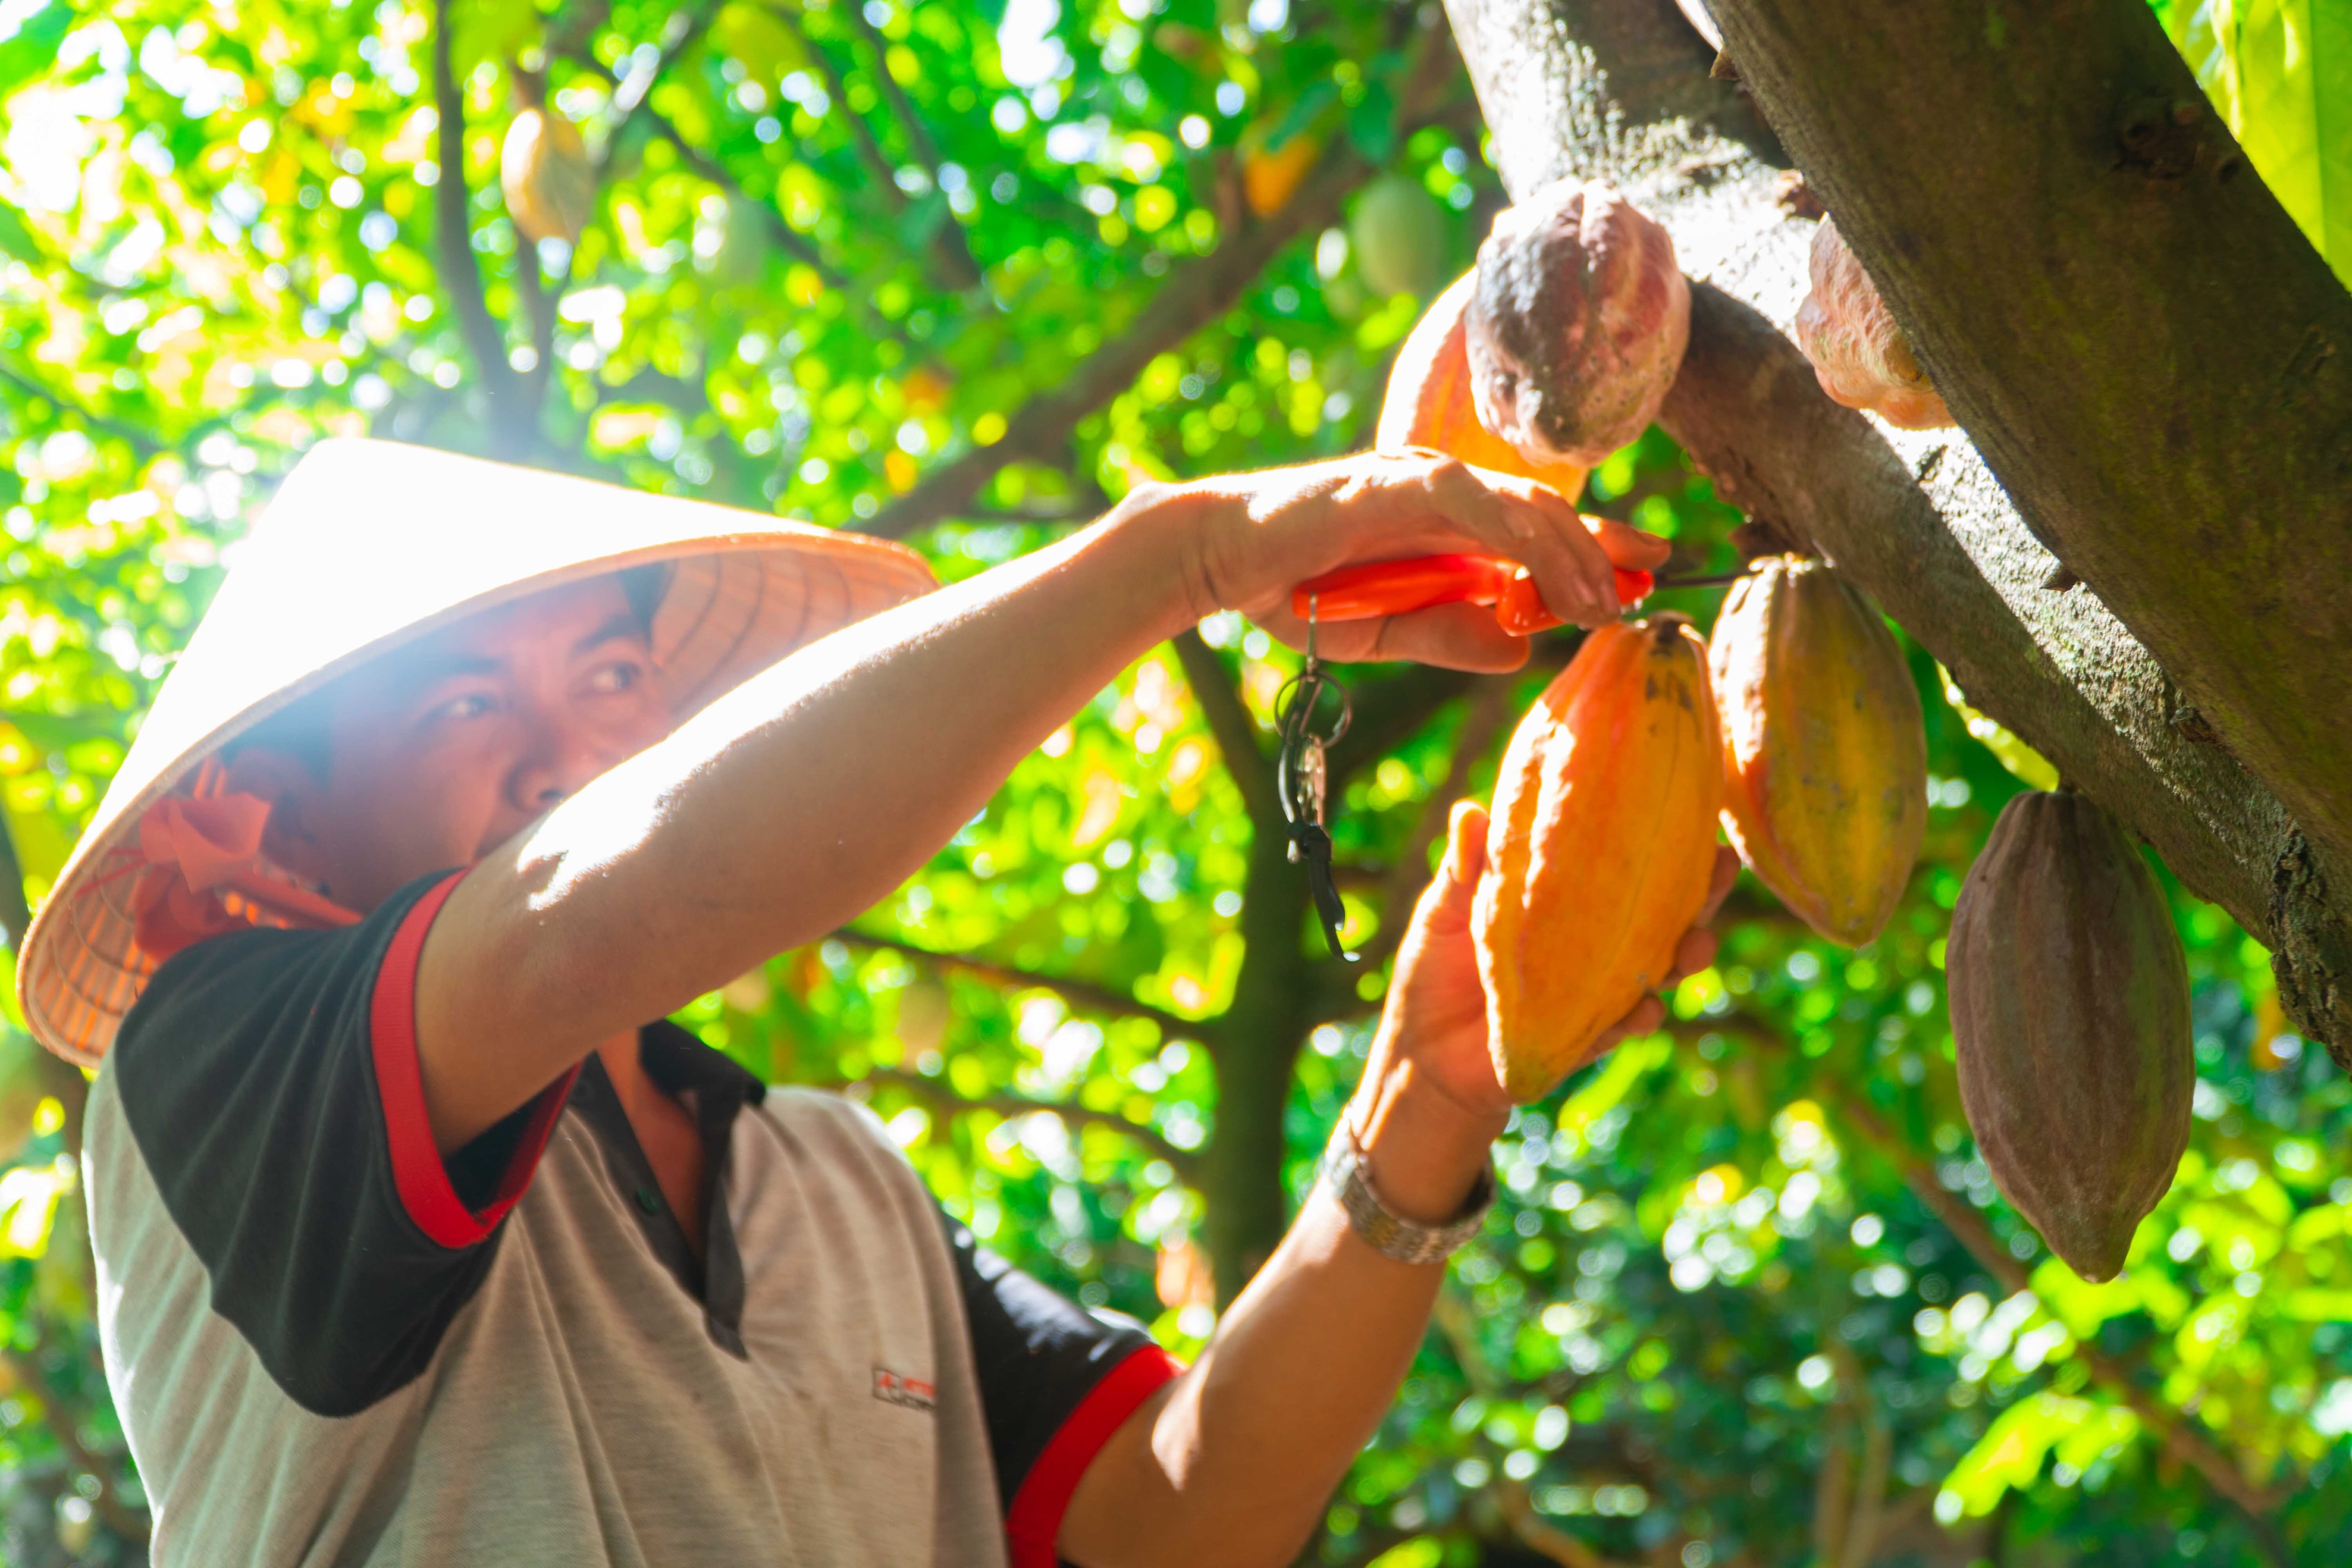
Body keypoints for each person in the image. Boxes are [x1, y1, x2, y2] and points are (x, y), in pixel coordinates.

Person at [18, 437, 1730, 1567]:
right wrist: (1182, 559)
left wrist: (1426, 1101)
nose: (572, 750)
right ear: (296, 807)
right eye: (463, 703)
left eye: (615, 679)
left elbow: (1167, 1528)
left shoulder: (833, 1180)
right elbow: (573, 924)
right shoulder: (223, 1061)